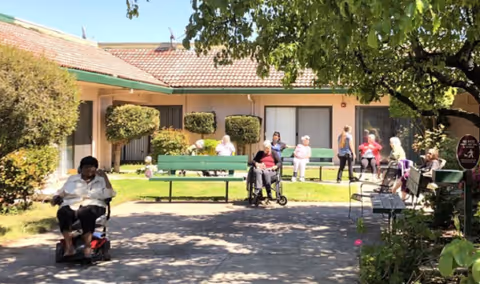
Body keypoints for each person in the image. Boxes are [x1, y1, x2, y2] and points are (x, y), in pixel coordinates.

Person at [52, 156, 116, 260]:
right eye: (86, 167)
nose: (89, 169)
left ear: (96, 169)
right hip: (72, 203)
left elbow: (109, 193)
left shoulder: (100, 180)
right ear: (81, 168)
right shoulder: (72, 179)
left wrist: (105, 177)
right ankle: (69, 247)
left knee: (86, 212)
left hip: (95, 204)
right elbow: (62, 192)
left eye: (92, 167)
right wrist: (56, 197)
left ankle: (87, 246)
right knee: (63, 212)